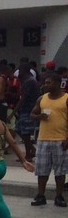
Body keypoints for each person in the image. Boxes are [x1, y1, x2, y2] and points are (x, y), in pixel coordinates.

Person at [30, 72, 68, 207]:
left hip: (60, 140)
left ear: (58, 84)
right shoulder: (42, 98)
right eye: (45, 82)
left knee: (60, 171)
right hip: (43, 139)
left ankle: (59, 196)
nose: (46, 85)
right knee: (42, 170)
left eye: (49, 82)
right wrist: (39, 116)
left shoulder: (66, 99)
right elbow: (32, 114)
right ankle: (41, 195)